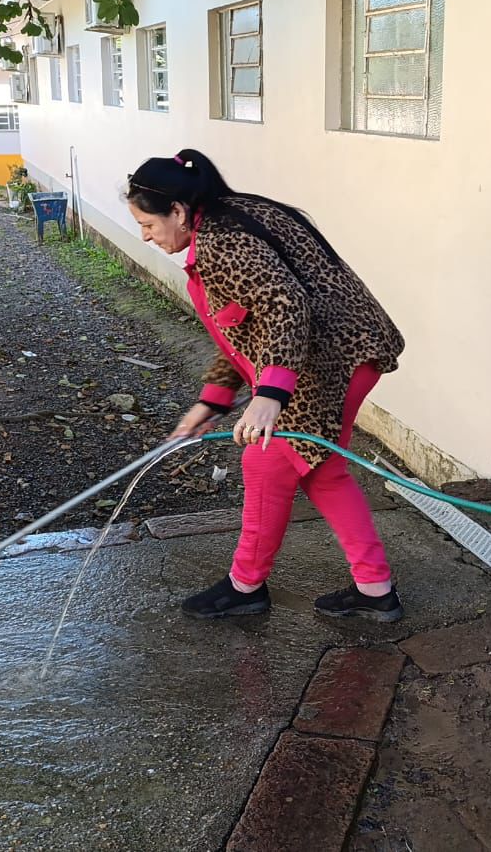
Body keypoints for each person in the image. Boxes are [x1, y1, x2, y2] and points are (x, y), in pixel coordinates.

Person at [125, 149, 407, 622]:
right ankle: (375, 589)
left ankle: (246, 587)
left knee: (265, 464)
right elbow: (241, 331)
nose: (145, 235)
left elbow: (284, 306)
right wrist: (210, 403)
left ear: (178, 211)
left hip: (330, 357)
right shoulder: (221, 222)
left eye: (148, 224)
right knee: (322, 471)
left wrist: (269, 397)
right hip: (336, 352)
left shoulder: (222, 241)